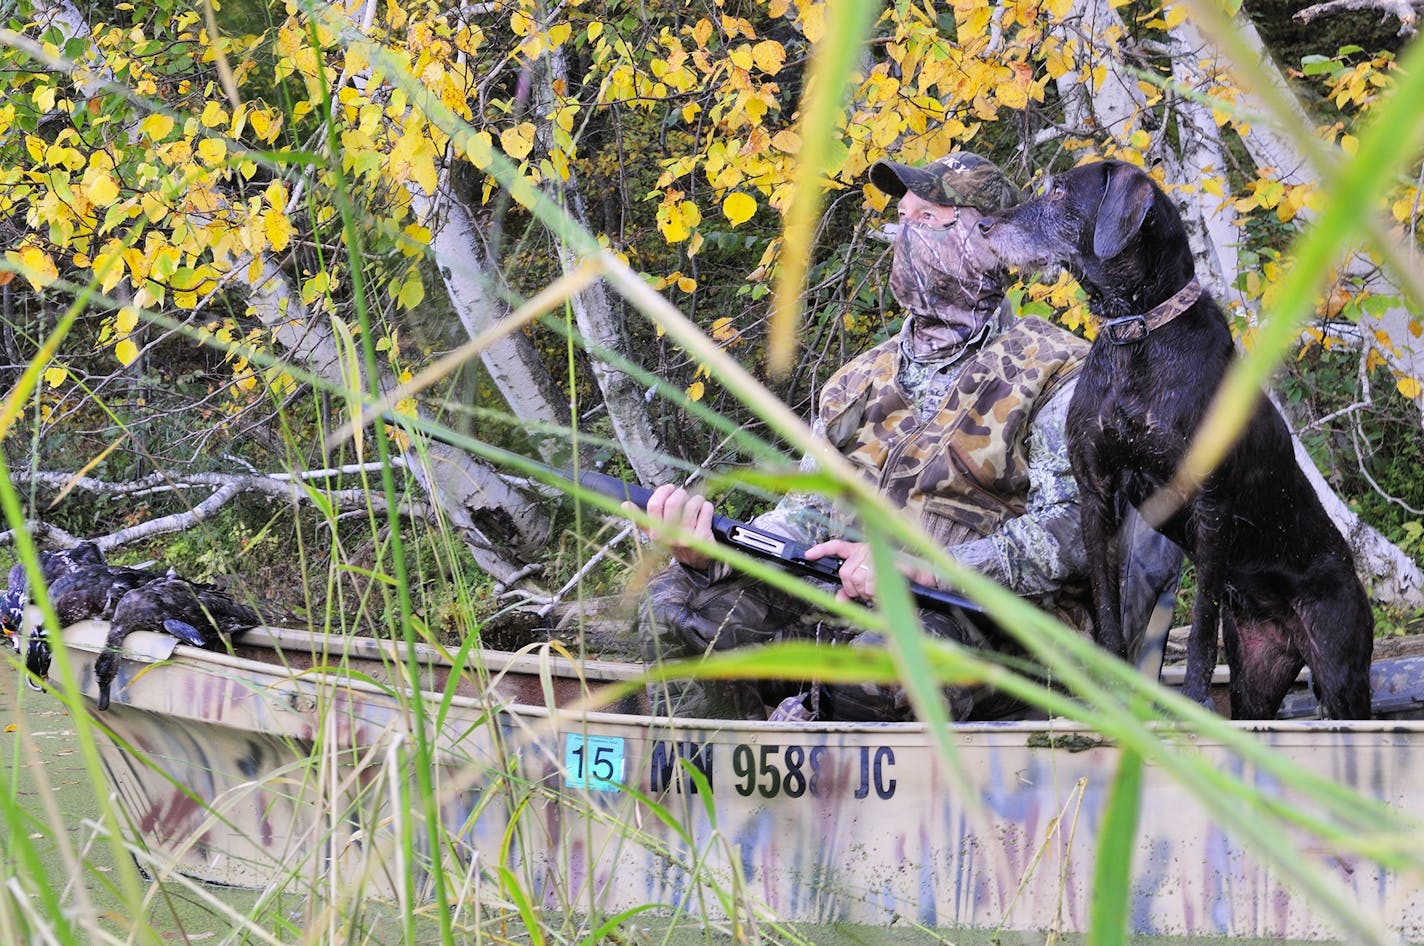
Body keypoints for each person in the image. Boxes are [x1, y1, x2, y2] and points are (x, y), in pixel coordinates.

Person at [635, 151, 1158, 723]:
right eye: (902, 216)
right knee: (676, 609)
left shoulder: (1057, 369)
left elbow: (1077, 531)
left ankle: (861, 792)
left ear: (992, 239)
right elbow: (808, 513)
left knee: (883, 666)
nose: (906, 231)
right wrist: (715, 551)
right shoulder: (858, 379)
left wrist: (935, 570)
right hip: (838, 604)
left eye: (929, 218)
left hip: (984, 623)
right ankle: (698, 793)